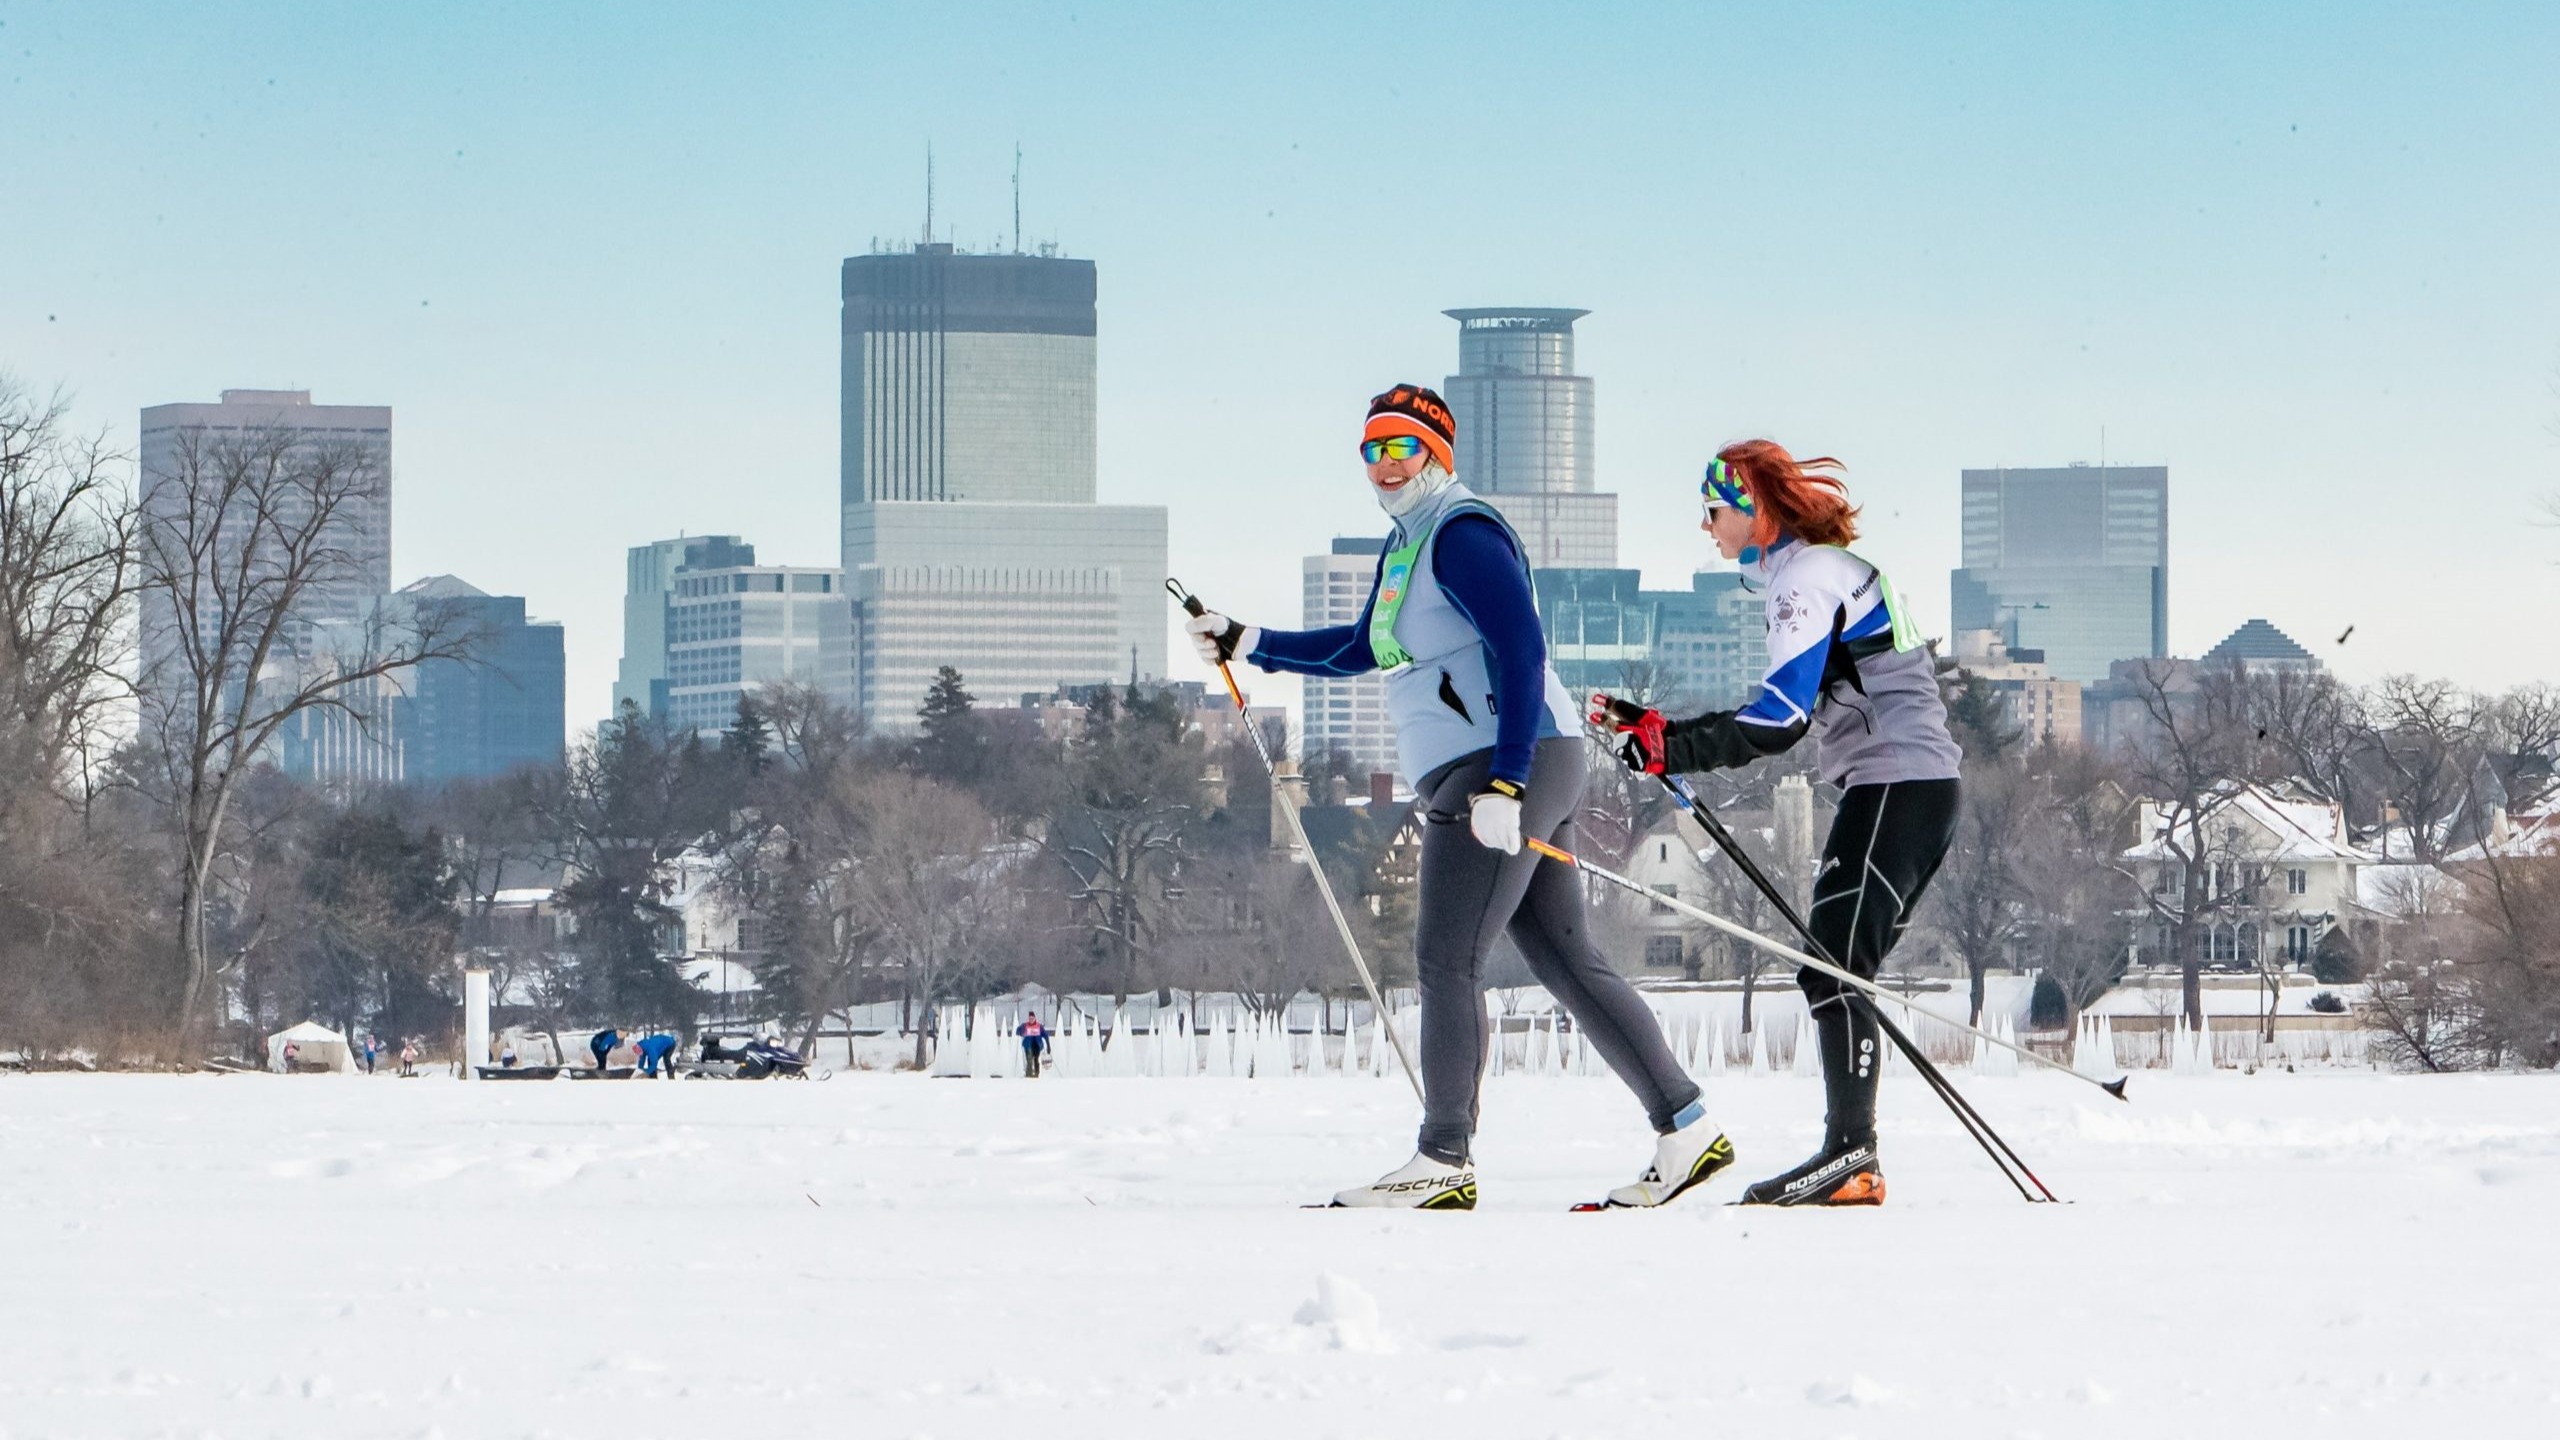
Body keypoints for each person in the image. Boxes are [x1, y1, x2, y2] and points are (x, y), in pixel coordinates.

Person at [1184, 384, 1729, 1210]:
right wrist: (1248, 641)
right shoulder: (1408, 545)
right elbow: (1360, 646)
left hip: (1505, 762)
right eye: (1371, 451)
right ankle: (1685, 1125)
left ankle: (1444, 1155)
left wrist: (1507, 780)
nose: (1385, 466)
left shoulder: (1463, 532)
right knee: (1565, 960)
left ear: (1439, 454)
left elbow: (1520, 646)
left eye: (1402, 448)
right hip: (1513, 763)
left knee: (1445, 956)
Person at [1591, 442, 1963, 1207]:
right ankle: (1853, 1155)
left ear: (1756, 509)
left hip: (1901, 783)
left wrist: (1673, 744)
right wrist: (1663, 731)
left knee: (1831, 967)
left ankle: (1853, 1155)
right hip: (1898, 785)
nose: (1708, 528)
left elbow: (1780, 719)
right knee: (1831, 967)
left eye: (1715, 511)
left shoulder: (1805, 579)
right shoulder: (1819, 570)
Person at [1016, 1013, 1048, 1078]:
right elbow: (1017, 1031)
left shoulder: (1039, 1026)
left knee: (1036, 1059)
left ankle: (1036, 1073)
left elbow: (1045, 1035)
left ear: (1035, 1018)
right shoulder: (1025, 1025)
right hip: (1028, 1045)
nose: (1031, 1020)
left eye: (1032, 1019)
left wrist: (1048, 1045)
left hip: (1037, 1045)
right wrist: (1021, 1031)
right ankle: (1029, 1074)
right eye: (1030, 1019)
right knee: (1029, 1059)